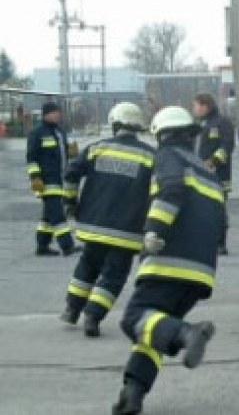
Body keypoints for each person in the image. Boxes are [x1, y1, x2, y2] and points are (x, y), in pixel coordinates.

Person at [113, 106, 224, 415]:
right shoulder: (207, 172)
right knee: (152, 331)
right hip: (201, 273)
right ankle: (132, 394)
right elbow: (220, 222)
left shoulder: (167, 156)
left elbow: (171, 190)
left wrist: (154, 231)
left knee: (133, 319)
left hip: (169, 261)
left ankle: (188, 333)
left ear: (162, 134)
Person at [60, 103, 155, 338]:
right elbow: (158, 192)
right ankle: (93, 317)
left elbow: (71, 174)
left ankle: (72, 309)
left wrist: (70, 203)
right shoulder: (150, 155)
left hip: (94, 225)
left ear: (115, 124)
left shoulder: (96, 148)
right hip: (128, 231)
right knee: (113, 275)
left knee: (87, 265)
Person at [26, 101, 79, 257]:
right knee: (57, 214)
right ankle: (67, 245)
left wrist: (73, 152)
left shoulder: (60, 132)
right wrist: (35, 178)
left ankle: (42, 246)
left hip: (60, 178)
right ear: (46, 114)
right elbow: (31, 158)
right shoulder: (37, 133)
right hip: (45, 180)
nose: (57, 115)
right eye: (54, 112)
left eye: (58, 112)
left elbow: (66, 155)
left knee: (48, 216)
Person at [193, 93, 234, 255]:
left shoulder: (221, 122)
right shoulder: (201, 124)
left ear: (204, 105)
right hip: (201, 175)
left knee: (217, 210)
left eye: (195, 105)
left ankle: (220, 244)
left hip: (218, 176)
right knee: (201, 210)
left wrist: (213, 162)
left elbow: (227, 146)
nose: (194, 109)